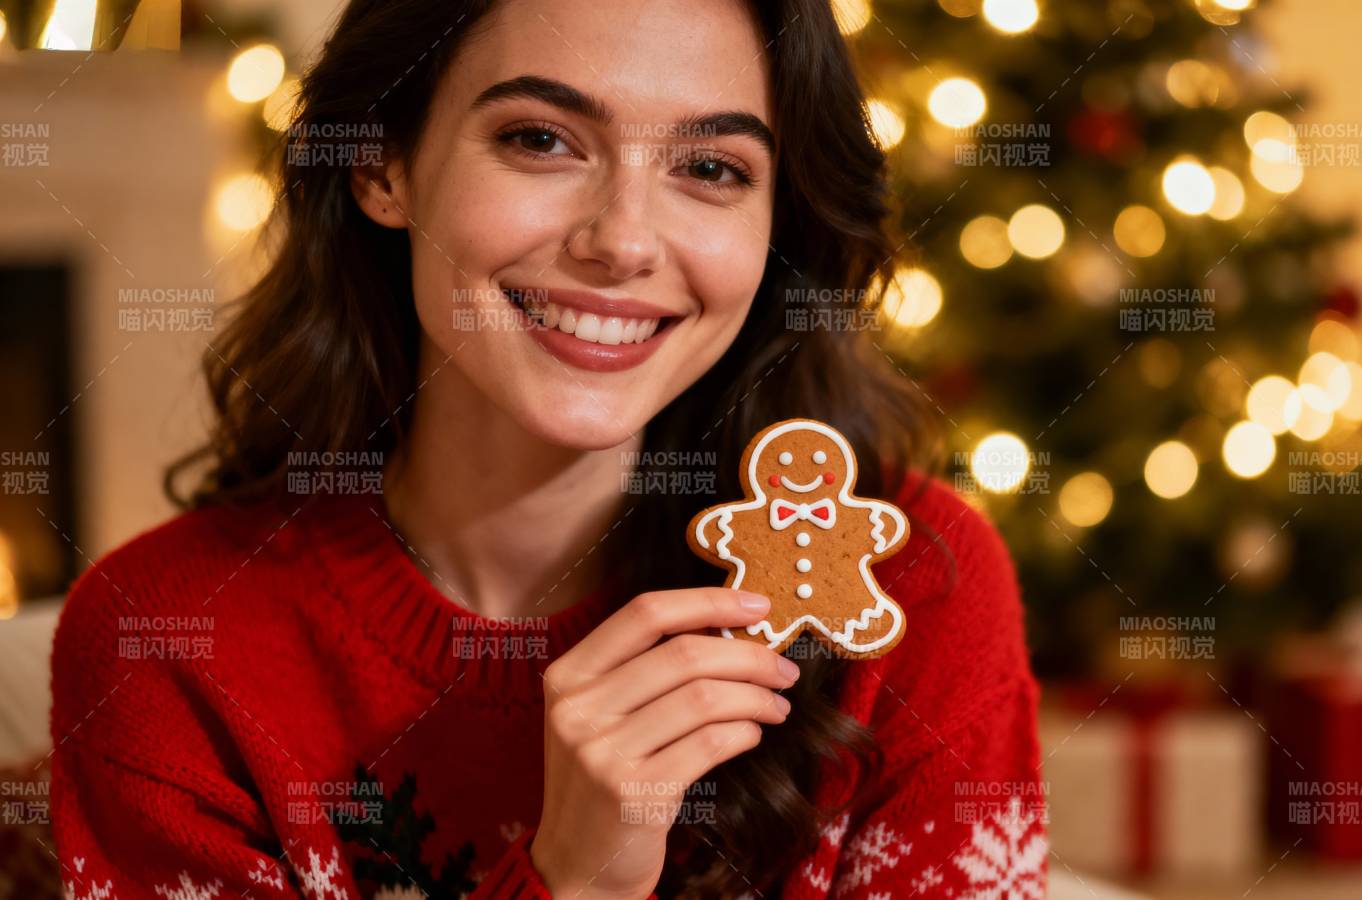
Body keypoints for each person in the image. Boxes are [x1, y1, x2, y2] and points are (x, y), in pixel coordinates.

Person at [49, 0, 1046, 896]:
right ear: (380, 164)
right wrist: (572, 881)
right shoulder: (165, 642)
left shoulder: (910, 584)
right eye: (540, 140)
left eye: (711, 168)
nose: (622, 242)